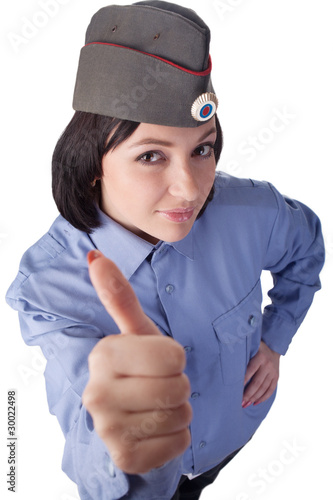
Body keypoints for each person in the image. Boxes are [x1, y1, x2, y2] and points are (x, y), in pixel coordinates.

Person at [6, 1, 325, 499]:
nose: (190, 189)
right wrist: (135, 441)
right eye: (151, 155)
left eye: (202, 148)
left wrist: (276, 337)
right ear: (92, 163)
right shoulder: (50, 290)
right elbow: (94, 466)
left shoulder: (252, 211)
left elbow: (305, 248)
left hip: (233, 436)